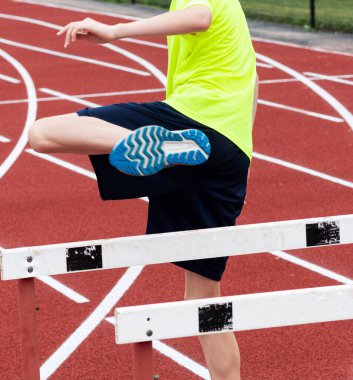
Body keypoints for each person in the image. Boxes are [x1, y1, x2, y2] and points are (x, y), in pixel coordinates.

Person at [28, 1, 258, 378]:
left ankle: (159, 146)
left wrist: (114, 32)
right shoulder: (237, 21)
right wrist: (242, 165)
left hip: (194, 123)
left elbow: (200, 17)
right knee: (204, 300)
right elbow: (254, 81)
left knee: (43, 133)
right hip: (229, 152)